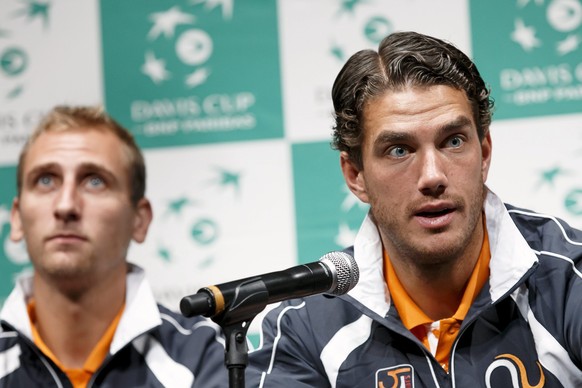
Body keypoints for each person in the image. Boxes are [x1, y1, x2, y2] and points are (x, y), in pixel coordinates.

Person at [246, 31, 582, 387]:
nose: (433, 176)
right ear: (356, 175)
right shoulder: (306, 328)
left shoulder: (567, 278)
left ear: (484, 153)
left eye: (453, 141)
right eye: (399, 150)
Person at [0, 106, 228, 387]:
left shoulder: (202, 357)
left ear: (139, 220)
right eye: (45, 180)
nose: (66, 205)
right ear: (17, 217)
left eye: (95, 181)